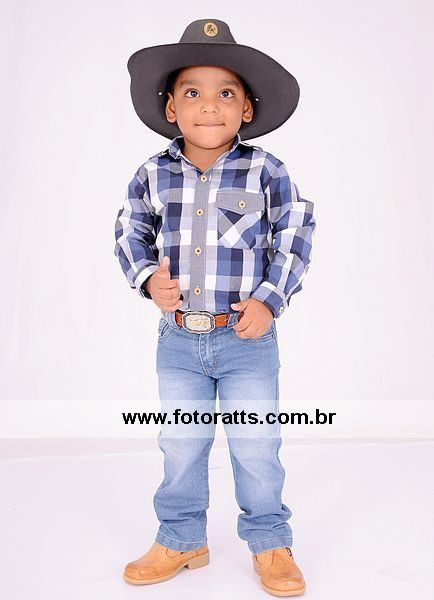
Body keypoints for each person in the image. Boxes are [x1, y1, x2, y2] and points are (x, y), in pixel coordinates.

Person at [114, 18, 316, 597]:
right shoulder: (153, 173)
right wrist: (148, 278)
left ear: (246, 108)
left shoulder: (266, 171)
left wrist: (270, 301)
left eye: (226, 92)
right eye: (192, 92)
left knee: (256, 446)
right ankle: (181, 538)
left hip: (247, 339)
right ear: (171, 108)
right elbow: (130, 231)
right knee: (181, 443)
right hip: (179, 340)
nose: (209, 105)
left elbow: (295, 235)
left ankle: (270, 541)